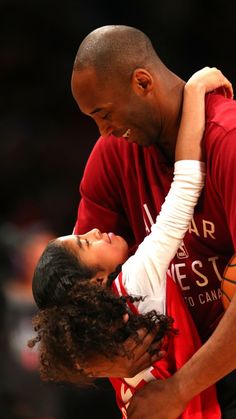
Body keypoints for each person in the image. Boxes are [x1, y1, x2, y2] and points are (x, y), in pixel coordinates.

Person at [30, 68, 231, 418]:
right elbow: (185, 184)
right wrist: (196, 89)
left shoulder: (102, 328)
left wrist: (90, 363)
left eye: (104, 114)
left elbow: (64, 328)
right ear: (95, 282)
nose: (93, 232)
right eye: (84, 242)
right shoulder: (136, 277)